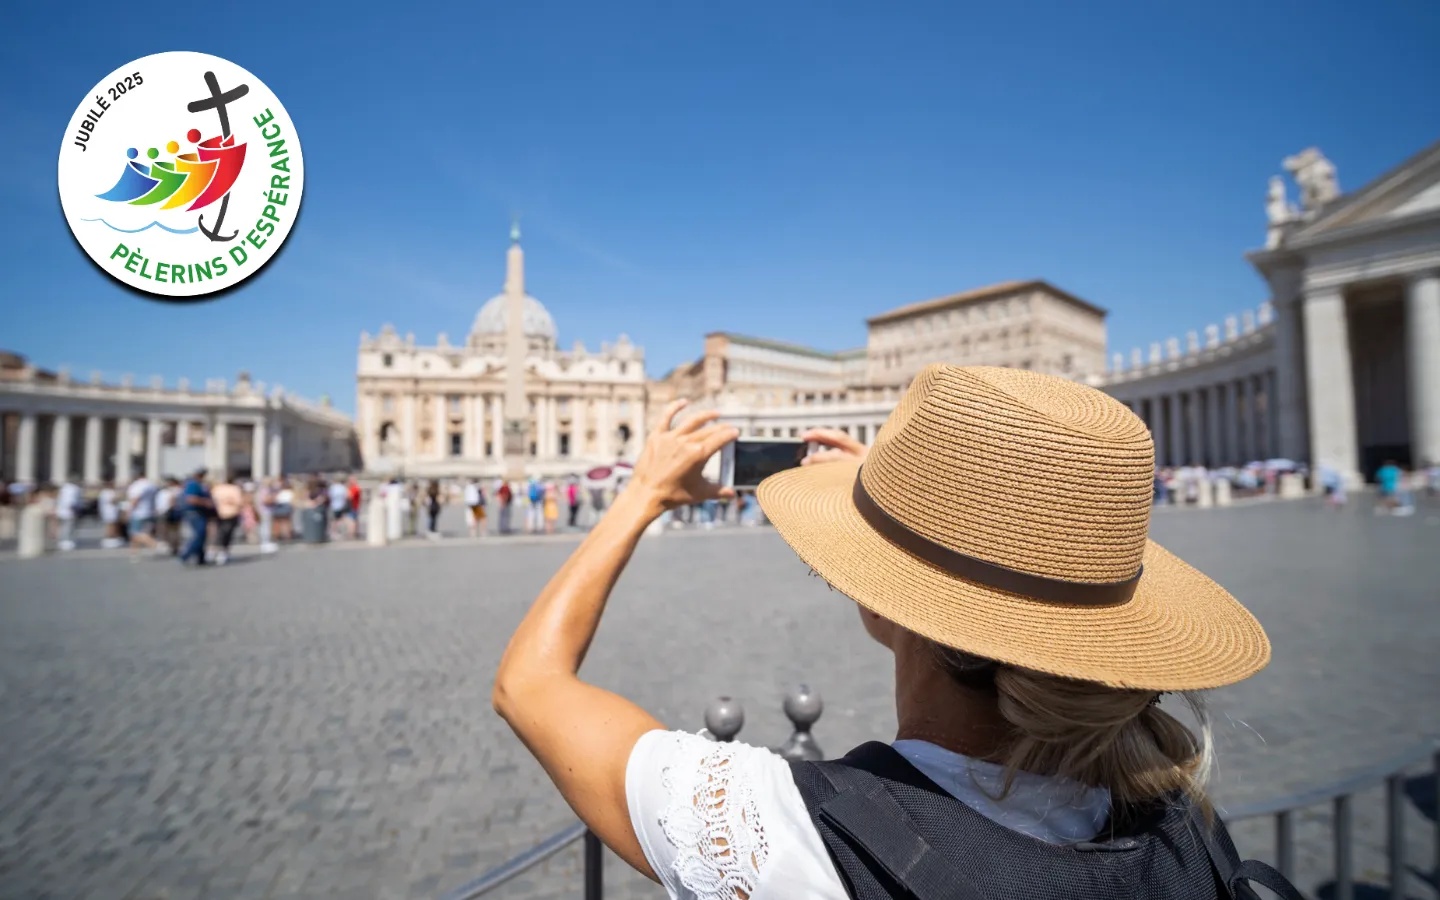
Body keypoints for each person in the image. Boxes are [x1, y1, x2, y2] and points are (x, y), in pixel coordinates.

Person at [493, 368, 1292, 900]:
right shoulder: (1179, 821)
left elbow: (529, 685)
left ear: (889, 598)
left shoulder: (802, 845)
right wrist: (921, 498)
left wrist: (641, 496)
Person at [177, 469, 214, 566]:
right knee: (199, 535)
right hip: (194, 512)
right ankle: (186, 554)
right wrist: (205, 502)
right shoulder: (193, 484)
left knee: (202, 535)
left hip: (200, 512)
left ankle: (201, 557)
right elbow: (191, 499)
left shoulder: (200, 485)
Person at [211, 475, 244, 564]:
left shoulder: (217, 488)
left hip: (218, 513)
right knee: (228, 533)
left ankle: (216, 550)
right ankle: (223, 550)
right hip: (231, 513)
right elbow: (239, 502)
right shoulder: (235, 489)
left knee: (219, 532)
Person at [125, 475, 158, 554]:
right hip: (150, 512)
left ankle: (154, 544)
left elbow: (135, 499)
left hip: (138, 513)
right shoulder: (151, 485)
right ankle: (134, 552)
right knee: (141, 533)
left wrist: (128, 511)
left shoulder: (136, 486)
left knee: (135, 533)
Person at [55, 475, 82, 551]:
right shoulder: (74, 489)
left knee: (63, 527)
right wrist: (74, 510)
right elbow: (71, 501)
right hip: (69, 511)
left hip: (62, 510)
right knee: (69, 527)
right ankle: (67, 541)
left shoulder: (64, 488)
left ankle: (63, 540)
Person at [98, 480, 123, 549]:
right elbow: (111, 500)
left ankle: (113, 538)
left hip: (111, 511)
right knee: (110, 525)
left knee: (113, 525)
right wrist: (117, 497)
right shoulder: (106, 492)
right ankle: (109, 539)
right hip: (109, 511)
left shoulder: (106, 492)